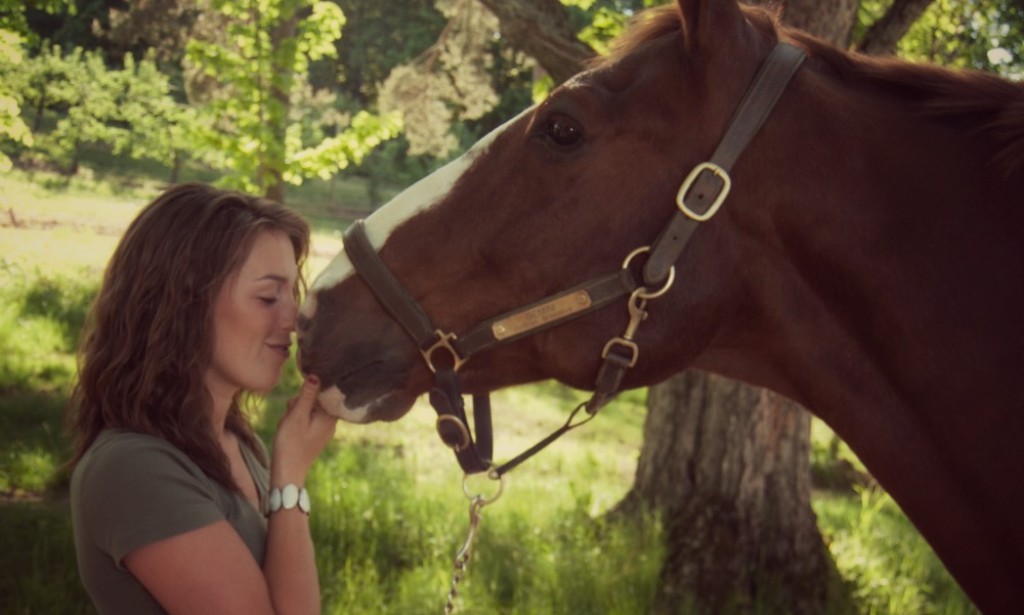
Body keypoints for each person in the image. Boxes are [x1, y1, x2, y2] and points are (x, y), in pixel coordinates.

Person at [66, 183, 338, 614]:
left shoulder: (239, 444)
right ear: (184, 303)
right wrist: (289, 479)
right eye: (268, 297)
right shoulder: (133, 469)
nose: (293, 320)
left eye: (292, 294)